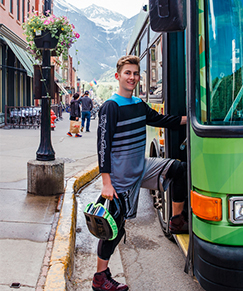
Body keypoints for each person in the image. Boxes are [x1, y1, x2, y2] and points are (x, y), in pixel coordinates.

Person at [92, 55, 188, 291]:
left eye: (135, 73)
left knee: (179, 170)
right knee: (114, 227)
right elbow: (102, 146)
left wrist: (192, 120)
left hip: (141, 167)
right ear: (118, 76)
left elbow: (164, 120)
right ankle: (100, 277)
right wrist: (106, 182)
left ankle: (176, 220)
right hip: (121, 178)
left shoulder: (138, 105)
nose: (132, 77)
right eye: (128, 73)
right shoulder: (110, 107)